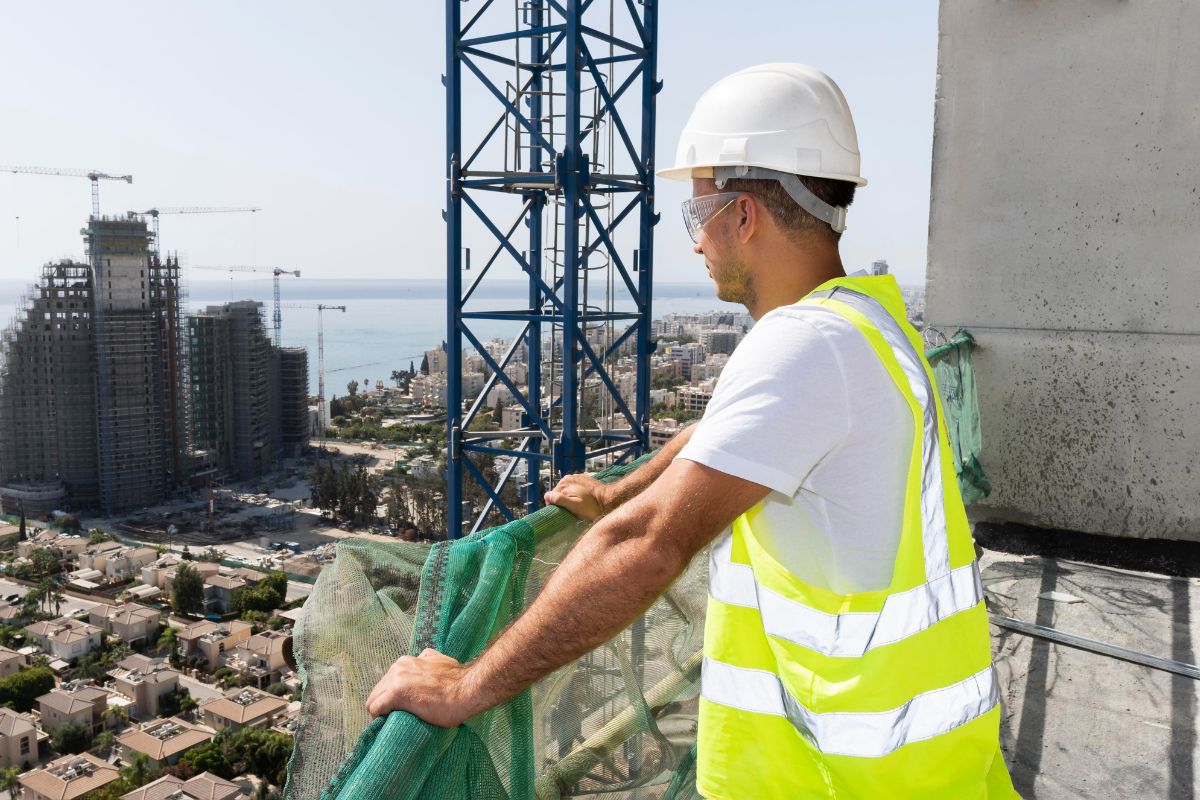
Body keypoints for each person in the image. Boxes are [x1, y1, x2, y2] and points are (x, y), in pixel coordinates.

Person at [365, 63, 1018, 799]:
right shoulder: (869, 324)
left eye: (697, 213)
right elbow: (718, 434)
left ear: (744, 216)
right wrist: (622, 492)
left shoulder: (804, 349)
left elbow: (648, 546)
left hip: (849, 778)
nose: (697, 242)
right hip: (920, 765)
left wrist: (468, 686)